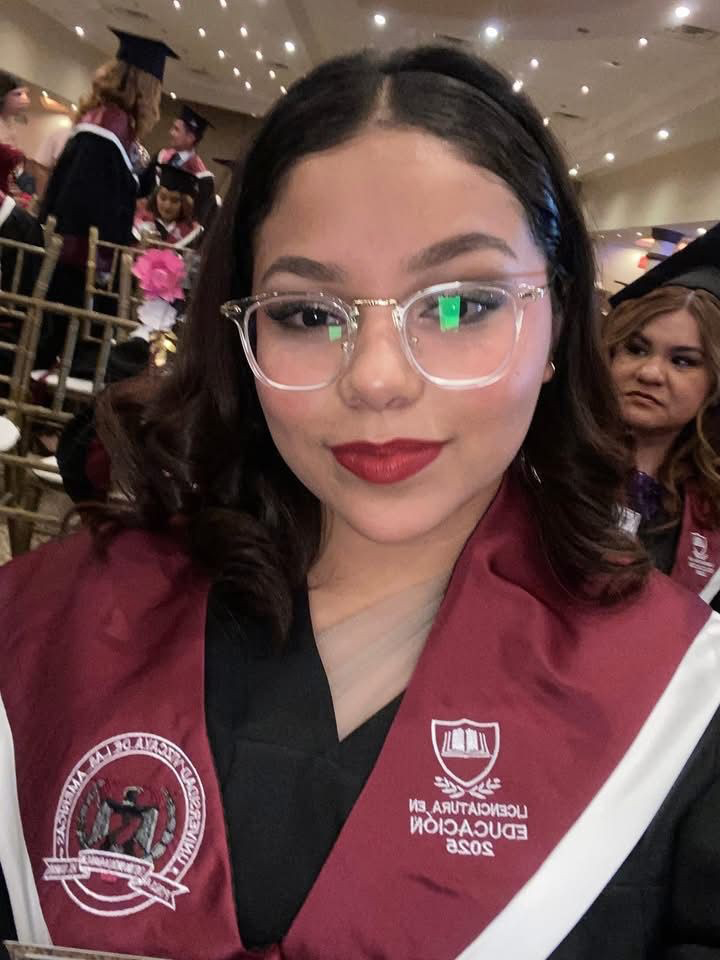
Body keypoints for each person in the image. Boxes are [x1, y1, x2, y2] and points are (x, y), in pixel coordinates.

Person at [1, 45, 720, 960]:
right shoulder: (46, 638)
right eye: (307, 313)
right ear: (243, 326)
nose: (377, 381)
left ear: (557, 326)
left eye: (460, 305)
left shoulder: (683, 710)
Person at [36, 29, 175, 367]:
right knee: (67, 352)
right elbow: (87, 205)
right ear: (146, 88)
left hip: (75, 263)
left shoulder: (109, 125)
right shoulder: (103, 134)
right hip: (77, 270)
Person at [605, 226, 720, 608]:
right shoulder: (546, 463)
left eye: (682, 361)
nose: (651, 373)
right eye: (636, 349)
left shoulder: (711, 508)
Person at [139, 104, 216, 226]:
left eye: (176, 129)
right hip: (148, 225)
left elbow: (202, 218)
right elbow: (142, 190)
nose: (171, 132)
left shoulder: (203, 177)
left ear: (190, 138)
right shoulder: (161, 156)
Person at [134, 163, 202, 247]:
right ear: (155, 196)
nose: (167, 206)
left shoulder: (191, 232)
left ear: (185, 204)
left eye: (175, 200)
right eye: (162, 198)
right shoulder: (139, 218)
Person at [0, 72, 30, 150]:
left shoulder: (9, 121)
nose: (26, 100)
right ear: (2, 96)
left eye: (26, 94)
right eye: (18, 94)